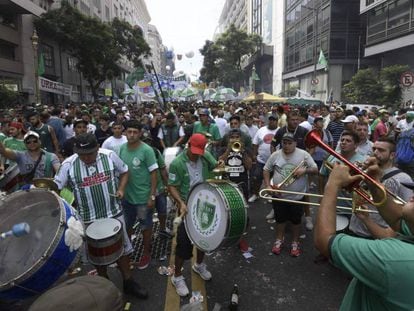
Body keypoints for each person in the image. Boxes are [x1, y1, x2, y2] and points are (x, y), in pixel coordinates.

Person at [54, 133, 148, 299]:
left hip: (113, 214)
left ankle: (128, 282)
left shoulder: (109, 156)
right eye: (82, 155)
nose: (87, 158)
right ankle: (104, 285)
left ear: (97, 148)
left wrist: (121, 189)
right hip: (88, 219)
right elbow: (56, 187)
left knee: (123, 250)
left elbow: (125, 171)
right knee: (97, 255)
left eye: (90, 153)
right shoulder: (68, 164)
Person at [314, 162, 414, 310]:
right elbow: (398, 220)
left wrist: (333, 184)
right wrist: (373, 184)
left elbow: (324, 240)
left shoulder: (395, 258)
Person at [168, 133, 219, 297]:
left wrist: (221, 162)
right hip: (187, 206)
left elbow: (216, 166)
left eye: (200, 151)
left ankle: (199, 265)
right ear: (188, 145)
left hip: (203, 203)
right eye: (195, 150)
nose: (197, 154)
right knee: (183, 244)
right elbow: (172, 186)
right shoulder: (177, 163)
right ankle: (177, 277)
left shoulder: (204, 155)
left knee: (204, 238)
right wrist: (181, 203)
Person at [263, 133, 318, 257]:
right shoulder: (275, 154)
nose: (286, 146)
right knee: (280, 220)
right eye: (284, 143)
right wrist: (267, 185)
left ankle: (295, 242)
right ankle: (279, 240)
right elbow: (266, 169)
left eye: (289, 143)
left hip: (296, 197)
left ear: (295, 143)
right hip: (279, 195)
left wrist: (305, 170)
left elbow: (315, 169)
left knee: (296, 221)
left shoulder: (304, 154)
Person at [349, 137, 413, 238]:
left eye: (381, 150)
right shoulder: (365, 170)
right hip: (353, 228)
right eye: (374, 149)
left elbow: (408, 215)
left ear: (392, 155)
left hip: (377, 237)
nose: (375, 152)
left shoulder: (403, 178)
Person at [118, 121, 158, 270]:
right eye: (129, 132)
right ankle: (127, 253)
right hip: (127, 198)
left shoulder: (147, 150)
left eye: (135, 132)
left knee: (145, 226)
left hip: (142, 199)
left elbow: (154, 174)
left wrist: (152, 196)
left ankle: (146, 252)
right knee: (127, 226)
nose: (132, 135)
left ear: (140, 133)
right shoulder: (121, 148)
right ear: (125, 133)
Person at [249, 115, 279, 203]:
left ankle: (270, 194)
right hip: (261, 160)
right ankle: (256, 194)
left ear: (277, 121)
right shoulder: (261, 130)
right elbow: (255, 143)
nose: (272, 122)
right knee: (256, 177)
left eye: (274, 120)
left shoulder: (280, 131)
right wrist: (254, 155)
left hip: (275, 161)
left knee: (273, 179)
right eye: (270, 120)